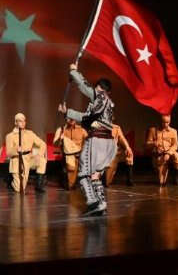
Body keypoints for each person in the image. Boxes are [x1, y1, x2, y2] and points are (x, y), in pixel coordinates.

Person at [59, 63, 116, 216]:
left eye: (97, 88)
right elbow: (87, 118)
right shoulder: (106, 104)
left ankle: (92, 202)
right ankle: (101, 204)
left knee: (83, 174)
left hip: (97, 139)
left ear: (101, 89)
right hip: (108, 141)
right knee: (95, 175)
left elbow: (84, 86)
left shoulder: (100, 96)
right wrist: (67, 113)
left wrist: (74, 71)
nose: (94, 91)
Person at [5, 113, 47, 194]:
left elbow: (43, 144)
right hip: (17, 161)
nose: (23, 123)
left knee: (42, 160)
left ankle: (38, 185)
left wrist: (39, 154)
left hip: (28, 159)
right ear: (15, 122)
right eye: (20, 121)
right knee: (19, 189)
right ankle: (11, 181)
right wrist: (16, 150)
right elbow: (8, 153)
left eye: (24, 121)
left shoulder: (30, 133)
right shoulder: (10, 136)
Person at [146, 114, 178, 186]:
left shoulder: (173, 131)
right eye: (163, 122)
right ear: (160, 121)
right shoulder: (153, 130)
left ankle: (176, 177)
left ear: (169, 122)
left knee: (177, 157)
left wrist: (168, 153)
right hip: (159, 154)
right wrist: (153, 143)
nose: (165, 124)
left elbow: (175, 145)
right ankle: (161, 175)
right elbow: (147, 144)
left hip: (170, 152)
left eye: (167, 122)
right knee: (162, 183)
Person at [53, 118, 88, 190]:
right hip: (67, 157)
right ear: (66, 119)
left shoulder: (81, 130)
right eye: (69, 118)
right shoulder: (61, 130)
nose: (72, 120)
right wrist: (60, 138)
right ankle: (69, 183)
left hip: (79, 156)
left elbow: (88, 141)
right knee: (70, 183)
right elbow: (55, 144)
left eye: (73, 118)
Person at [105, 121, 134, 186]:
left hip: (111, 155)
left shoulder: (116, 128)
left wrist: (127, 147)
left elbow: (122, 138)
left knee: (129, 153)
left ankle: (129, 180)